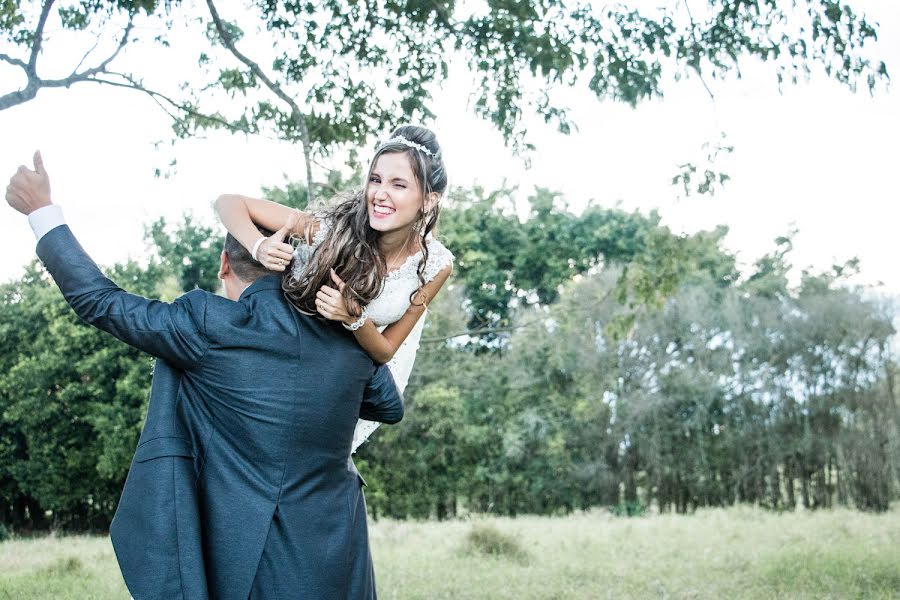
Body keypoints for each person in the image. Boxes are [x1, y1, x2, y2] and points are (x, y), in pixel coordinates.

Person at [5, 151, 404, 600]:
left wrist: (41, 212)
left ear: (224, 263)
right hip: (343, 557)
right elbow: (389, 406)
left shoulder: (208, 325)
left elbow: (102, 302)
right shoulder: (347, 329)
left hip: (252, 562)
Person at [215, 125, 454, 451]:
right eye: (375, 179)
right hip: (286, 357)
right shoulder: (332, 232)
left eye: (398, 185)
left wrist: (353, 317)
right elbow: (228, 202)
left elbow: (385, 350)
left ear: (428, 200)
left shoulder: (436, 265)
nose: (380, 194)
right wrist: (259, 247)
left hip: (344, 382)